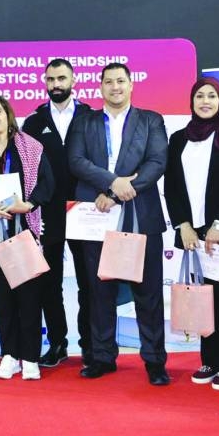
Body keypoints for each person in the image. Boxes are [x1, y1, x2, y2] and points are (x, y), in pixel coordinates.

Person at [67, 62, 170, 385]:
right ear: (100, 87)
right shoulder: (84, 122)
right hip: (96, 216)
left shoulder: (151, 120)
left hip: (141, 213)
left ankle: (154, 360)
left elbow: (157, 162)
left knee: (148, 293)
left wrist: (116, 192)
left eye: (121, 81)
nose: (115, 87)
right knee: (99, 291)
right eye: (109, 82)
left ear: (131, 85)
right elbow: (76, 161)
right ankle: (102, 356)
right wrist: (112, 183)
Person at [164, 76, 219, 391]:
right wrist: (183, 224)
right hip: (192, 233)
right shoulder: (179, 138)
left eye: (211, 96)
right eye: (200, 96)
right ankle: (210, 360)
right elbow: (172, 186)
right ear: (191, 101)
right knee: (202, 297)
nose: (205, 101)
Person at [0, 94, 54, 381]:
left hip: (24, 232)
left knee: (29, 297)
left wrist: (28, 205)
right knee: (4, 298)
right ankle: (9, 356)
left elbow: (47, 184)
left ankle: (30, 357)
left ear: (8, 116)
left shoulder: (30, 147)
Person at [21, 58, 93, 368]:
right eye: (50, 79)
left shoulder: (91, 117)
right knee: (49, 282)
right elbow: (28, 170)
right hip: (46, 212)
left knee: (88, 281)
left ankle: (90, 345)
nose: (56, 84)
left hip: (86, 209)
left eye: (61, 78)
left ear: (73, 80)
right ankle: (58, 343)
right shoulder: (33, 123)